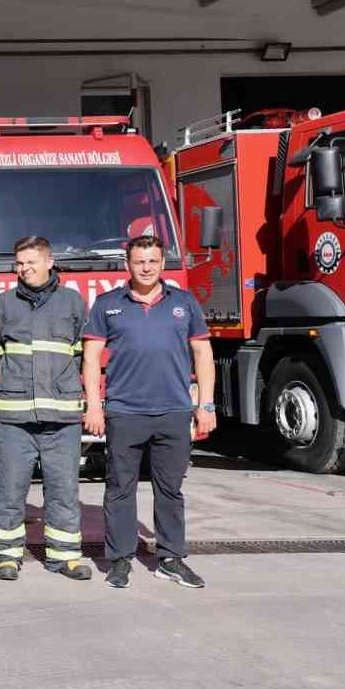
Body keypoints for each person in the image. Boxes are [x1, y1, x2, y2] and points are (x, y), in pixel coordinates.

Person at [84, 234, 214, 591]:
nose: (146, 267)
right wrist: (95, 405)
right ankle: (120, 560)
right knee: (119, 489)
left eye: (153, 261)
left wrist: (206, 404)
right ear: (128, 264)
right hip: (125, 413)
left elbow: (203, 355)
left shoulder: (184, 303)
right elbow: (91, 357)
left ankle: (171, 559)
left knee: (170, 490)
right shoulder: (108, 304)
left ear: (162, 263)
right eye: (139, 261)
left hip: (173, 411)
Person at [0, 236, 92, 583]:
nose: (24, 268)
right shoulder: (3, 305)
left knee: (64, 488)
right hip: (15, 418)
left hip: (62, 419)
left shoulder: (73, 303)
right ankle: (8, 554)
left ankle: (65, 557)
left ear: (50, 262)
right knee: (10, 488)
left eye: (31, 261)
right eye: (19, 263)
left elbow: (79, 354)